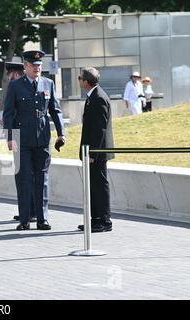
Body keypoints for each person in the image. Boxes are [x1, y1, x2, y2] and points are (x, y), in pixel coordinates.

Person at [3, 50, 66, 231]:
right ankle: (24, 220)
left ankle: (42, 219)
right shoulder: (16, 86)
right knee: (24, 180)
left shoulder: (48, 83)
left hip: (42, 138)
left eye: (39, 65)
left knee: (42, 179)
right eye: (34, 65)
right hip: (21, 140)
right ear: (26, 66)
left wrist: (61, 133)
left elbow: (55, 110)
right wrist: (9, 137)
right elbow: (8, 114)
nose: (38, 68)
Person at [77, 67, 114, 232]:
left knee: (99, 185)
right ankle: (95, 219)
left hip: (97, 153)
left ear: (86, 81)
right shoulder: (93, 96)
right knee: (93, 186)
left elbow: (100, 130)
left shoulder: (98, 98)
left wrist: (92, 154)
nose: (79, 81)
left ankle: (104, 220)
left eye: (80, 78)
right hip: (92, 152)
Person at [3, 62, 37, 224]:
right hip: (19, 135)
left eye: (10, 75)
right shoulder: (21, 86)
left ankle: (29, 211)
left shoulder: (17, 87)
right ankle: (28, 210)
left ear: (15, 74)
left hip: (20, 136)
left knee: (24, 176)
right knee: (25, 176)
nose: (9, 79)